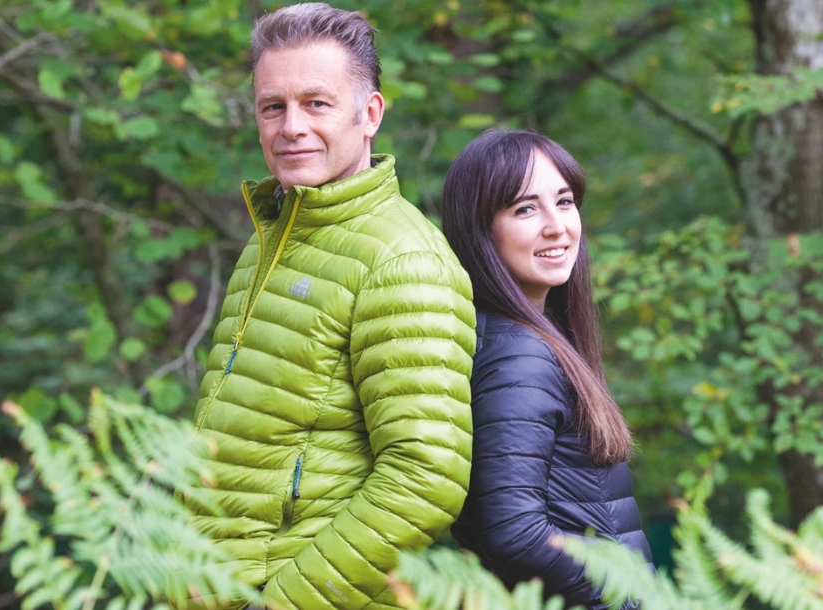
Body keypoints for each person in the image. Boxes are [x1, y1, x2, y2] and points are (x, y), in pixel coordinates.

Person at [184, 4, 477, 609]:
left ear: (368, 115)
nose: (291, 126)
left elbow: (427, 478)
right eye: (273, 106)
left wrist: (281, 603)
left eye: (316, 103)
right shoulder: (271, 239)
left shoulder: (403, 260)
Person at [442, 129, 652, 609]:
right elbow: (513, 533)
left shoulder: (526, 339)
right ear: (480, 230)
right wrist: (623, 596)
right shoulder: (518, 355)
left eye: (564, 201)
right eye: (525, 209)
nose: (557, 226)